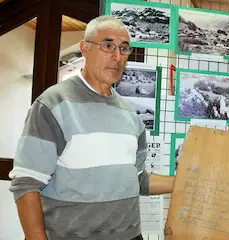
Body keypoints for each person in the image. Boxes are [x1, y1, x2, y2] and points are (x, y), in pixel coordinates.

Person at [8, 15, 175, 240]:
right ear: (85, 49)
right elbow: (26, 181)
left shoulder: (129, 113)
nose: (117, 56)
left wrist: (187, 182)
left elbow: (136, 179)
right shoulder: (52, 104)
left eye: (124, 48)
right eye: (107, 45)